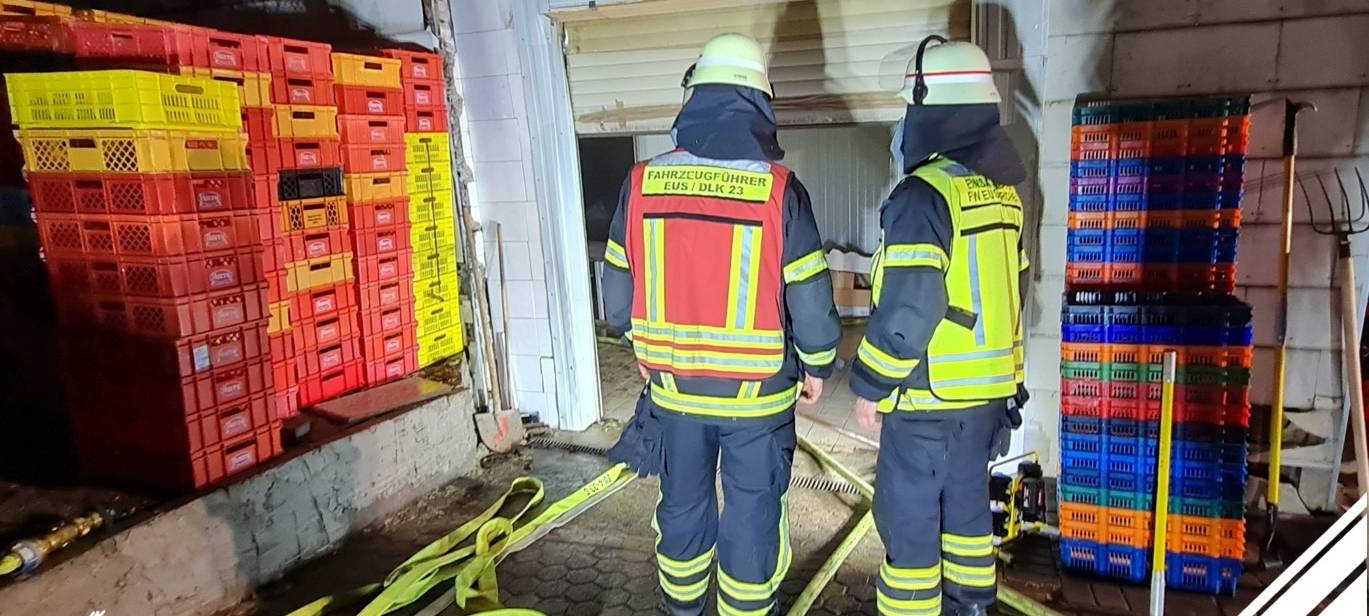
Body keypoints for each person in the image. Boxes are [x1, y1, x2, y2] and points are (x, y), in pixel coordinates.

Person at [601, 32, 842, 616]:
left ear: (694, 98)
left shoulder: (641, 183)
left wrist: (636, 338)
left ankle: (683, 609)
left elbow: (614, 296)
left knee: (682, 509)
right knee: (754, 514)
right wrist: (818, 364)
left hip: (676, 394)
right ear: (761, 104)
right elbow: (809, 296)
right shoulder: (779, 191)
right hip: (757, 402)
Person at [849, 35, 1030, 616]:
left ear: (932, 112)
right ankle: (972, 607)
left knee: (910, 527)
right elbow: (1012, 296)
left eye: (910, 110)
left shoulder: (922, 196)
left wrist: (870, 389)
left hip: (927, 403)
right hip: (985, 401)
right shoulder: (1003, 194)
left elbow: (907, 312)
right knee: (969, 518)